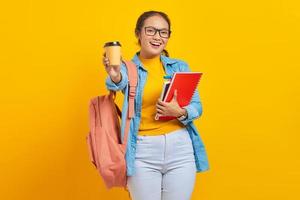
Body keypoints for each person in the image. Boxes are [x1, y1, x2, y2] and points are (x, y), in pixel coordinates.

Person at [102, 10, 209, 200]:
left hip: (180, 148)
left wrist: (181, 112)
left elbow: (197, 106)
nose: (157, 37)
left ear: (168, 37)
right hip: (142, 152)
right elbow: (118, 82)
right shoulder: (128, 68)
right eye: (150, 30)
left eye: (163, 32)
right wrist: (114, 73)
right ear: (138, 34)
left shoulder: (179, 67)